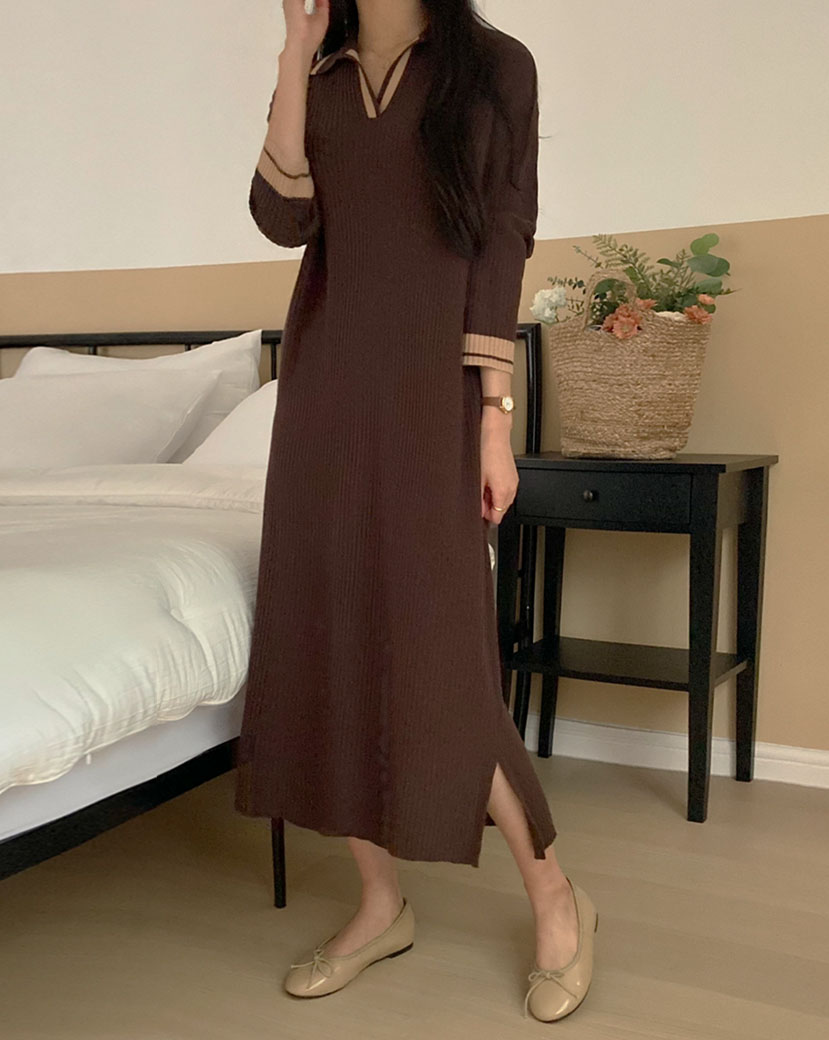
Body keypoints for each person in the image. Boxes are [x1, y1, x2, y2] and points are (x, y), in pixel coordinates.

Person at [234, 0, 597, 1021]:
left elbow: (503, 235)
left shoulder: (495, 67)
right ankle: (380, 902)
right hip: (325, 390)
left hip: (437, 393)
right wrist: (295, 55)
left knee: (442, 660)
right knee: (335, 635)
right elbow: (281, 218)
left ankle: (557, 897)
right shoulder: (321, 70)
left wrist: (493, 417)